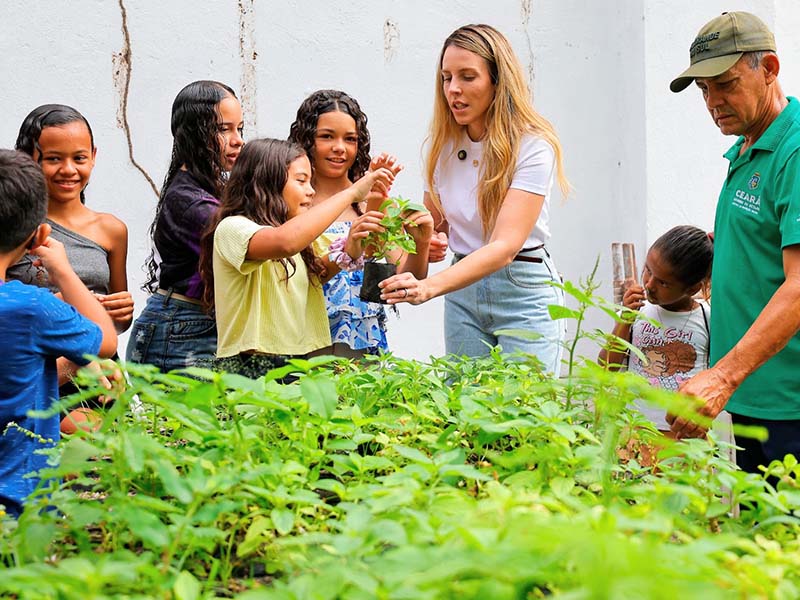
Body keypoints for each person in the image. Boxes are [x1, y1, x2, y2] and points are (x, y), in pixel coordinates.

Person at [378, 24, 570, 373]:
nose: (453, 89)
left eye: (468, 77)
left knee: (527, 413)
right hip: (462, 289)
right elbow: (430, 230)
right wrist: (421, 236)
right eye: (446, 77)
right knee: (465, 411)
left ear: (498, 81)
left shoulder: (532, 146)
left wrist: (428, 288)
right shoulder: (443, 148)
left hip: (522, 287)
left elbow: (504, 246)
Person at [669, 12, 800, 474]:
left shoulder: (795, 151)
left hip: (790, 405)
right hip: (753, 396)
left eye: (724, 83)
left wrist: (722, 376)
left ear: (769, 69)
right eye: (704, 89)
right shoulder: (748, 146)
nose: (712, 101)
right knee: (760, 541)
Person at [198, 138, 394, 378]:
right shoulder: (234, 228)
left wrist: (351, 246)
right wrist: (351, 193)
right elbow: (285, 243)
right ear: (267, 181)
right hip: (248, 363)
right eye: (301, 181)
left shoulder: (293, 236)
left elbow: (312, 278)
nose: (311, 191)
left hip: (296, 361)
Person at [0, 149, 116, 517]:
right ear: (39, 232)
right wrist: (63, 271)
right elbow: (106, 341)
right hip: (21, 505)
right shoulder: (32, 307)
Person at [288, 89, 431, 357]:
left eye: (350, 139)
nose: (339, 148)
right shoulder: (295, 200)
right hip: (306, 340)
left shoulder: (371, 202)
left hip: (363, 341)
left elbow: (404, 277)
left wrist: (421, 243)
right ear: (306, 140)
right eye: (326, 136)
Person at [126, 81, 243, 372]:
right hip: (179, 334)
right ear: (193, 133)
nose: (237, 139)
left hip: (198, 327)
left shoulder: (214, 187)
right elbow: (253, 246)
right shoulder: (190, 202)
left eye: (240, 128)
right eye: (223, 129)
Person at [599, 226, 713, 432]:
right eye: (648, 270)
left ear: (692, 288)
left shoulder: (706, 318)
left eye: (663, 282)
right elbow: (606, 367)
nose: (649, 284)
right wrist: (625, 319)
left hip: (681, 438)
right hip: (634, 431)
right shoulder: (636, 311)